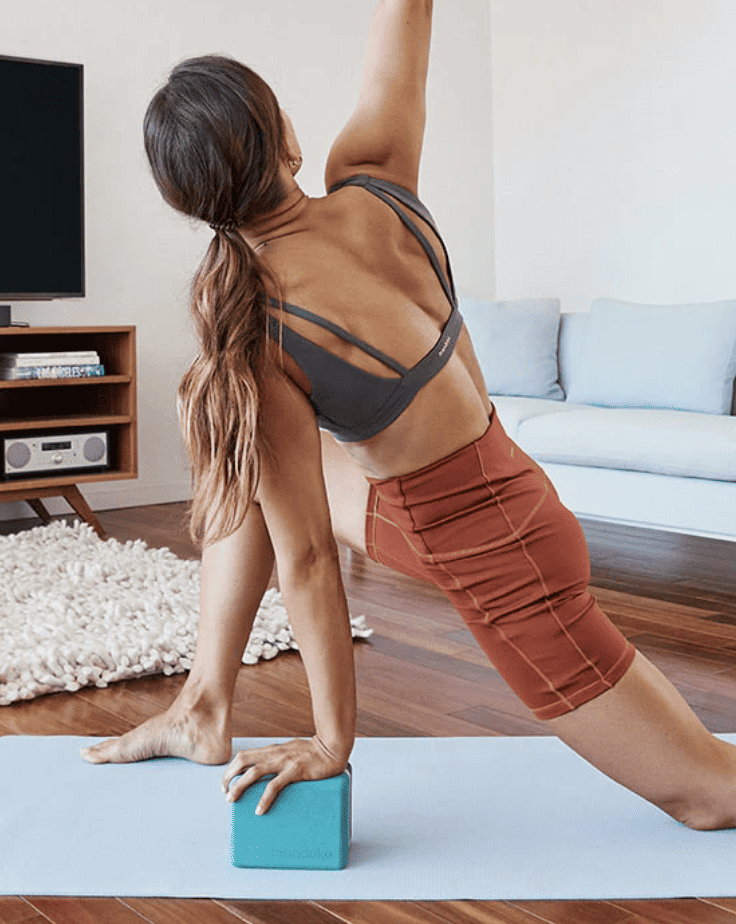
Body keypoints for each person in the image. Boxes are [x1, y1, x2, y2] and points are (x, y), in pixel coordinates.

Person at [82, 0, 736, 829]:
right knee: (228, 443)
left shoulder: (259, 334)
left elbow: (312, 560)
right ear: (287, 135)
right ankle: (203, 707)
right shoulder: (376, 176)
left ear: (190, 203)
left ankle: (207, 707)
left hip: (506, 573)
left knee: (712, 794)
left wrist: (331, 742)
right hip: (503, 504)